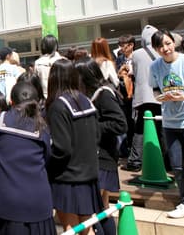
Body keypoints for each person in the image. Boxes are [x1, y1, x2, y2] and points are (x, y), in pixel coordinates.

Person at [0, 82, 56, 234]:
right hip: (40, 205)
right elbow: (47, 159)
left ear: (11, 102)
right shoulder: (42, 127)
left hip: (6, 206)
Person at [46, 58, 102, 235]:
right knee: (87, 228)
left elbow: (62, 148)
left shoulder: (58, 106)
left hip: (67, 177)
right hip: (89, 173)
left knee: (70, 228)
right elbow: (97, 135)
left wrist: (48, 165)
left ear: (53, 79)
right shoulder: (86, 100)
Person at [75, 57, 128, 235]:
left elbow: (120, 124)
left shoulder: (103, 94)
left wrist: (93, 127)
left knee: (93, 207)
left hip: (103, 157)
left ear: (85, 77)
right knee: (102, 207)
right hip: (101, 156)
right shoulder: (95, 93)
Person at [149, 29, 184, 218]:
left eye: (167, 43)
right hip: (169, 123)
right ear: (156, 49)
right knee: (177, 166)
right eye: (160, 46)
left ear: (173, 42)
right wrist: (162, 98)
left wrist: (183, 96)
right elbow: (156, 91)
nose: (165, 48)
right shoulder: (155, 66)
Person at [122, 25, 164, 172]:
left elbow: (134, 72)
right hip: (159, 96)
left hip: (142, 97)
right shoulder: (161, 52)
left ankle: (135, 161)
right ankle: (166, 160)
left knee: (140, 129)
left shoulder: (137, 54)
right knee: (161, 129)